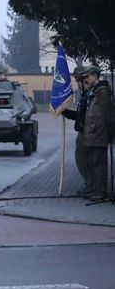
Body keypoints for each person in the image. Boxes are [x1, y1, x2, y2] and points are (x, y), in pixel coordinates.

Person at [81, 65, 112, 202]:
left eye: (88, 76)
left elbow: (107, 114)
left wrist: (108, 133)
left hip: (99, 133)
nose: (86, 79)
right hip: (92, 134)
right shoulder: (93, 90)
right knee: (93, 163)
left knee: (99, 164)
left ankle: (101, 191)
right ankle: (95, 189)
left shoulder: (102, 91)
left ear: (95, 75)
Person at [62, 66, 90, 197]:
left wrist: (68, 113)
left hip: (87, 132)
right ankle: (89, 184)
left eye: (78, 81)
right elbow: (81, 115)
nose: (77, 84)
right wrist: (67, 113)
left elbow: (86, 116)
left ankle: (91, 184)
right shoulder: (84, 94)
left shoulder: (89, 94)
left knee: (84, 160)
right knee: (82, 160)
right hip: (84, 131)